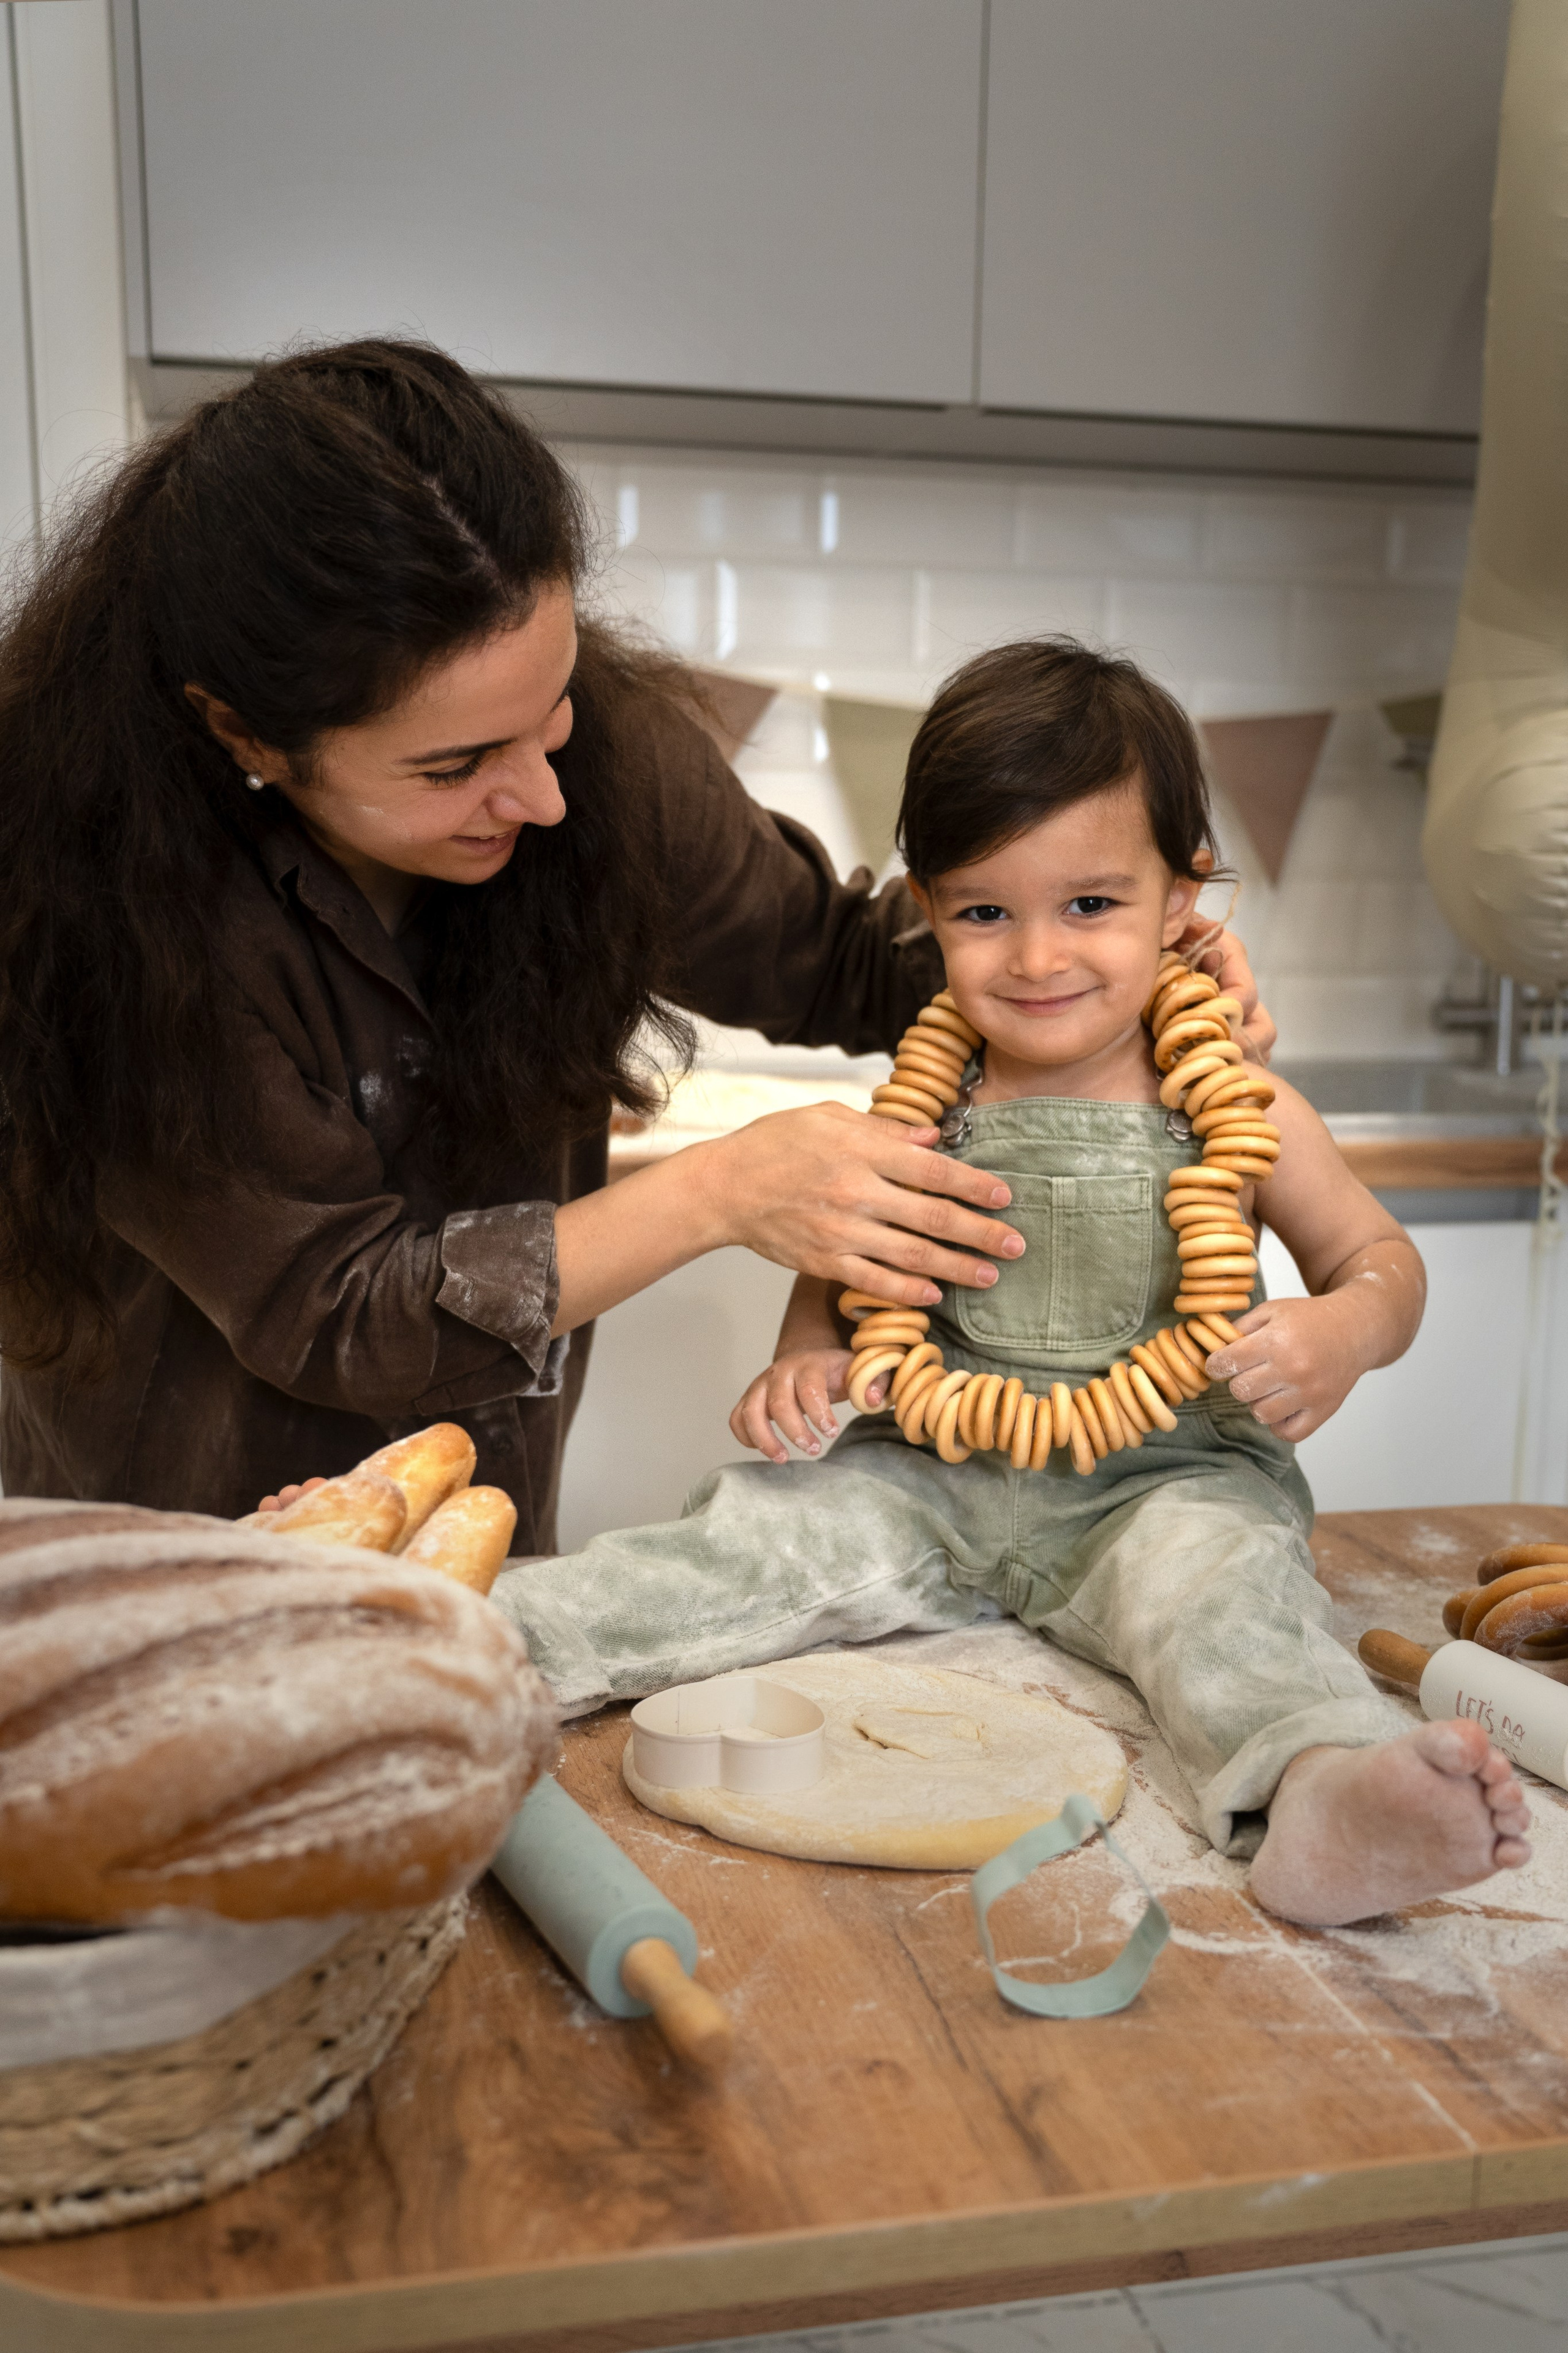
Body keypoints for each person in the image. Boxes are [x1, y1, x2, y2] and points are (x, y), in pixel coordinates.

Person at [0, 339, 1266, 1541]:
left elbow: (844, 958)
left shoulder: (610, 764)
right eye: (454, 766)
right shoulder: (103, 911)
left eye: (549, 711)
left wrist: (1126, 962)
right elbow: (335, 1312)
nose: (543, 798)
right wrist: (720, 1191)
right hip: (176, 1539)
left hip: (488, 1517)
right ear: (246, 734)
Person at [492, 639, 1532, 1928]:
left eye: (1090, 904)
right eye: (985, 912)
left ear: (1183, 895)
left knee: (1225, 1608)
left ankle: (1320, 1794)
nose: (1037, 957)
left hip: (1161, 1483)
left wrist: (1345, 1328)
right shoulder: (923, 1101)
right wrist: (808, 1353)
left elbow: (1382, 1262)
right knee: (744, 1543)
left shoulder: (1245, 1107)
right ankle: (471, 1646)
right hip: (923, 1469)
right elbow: (852, 1263)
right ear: (927, 908)